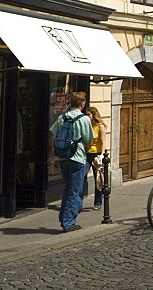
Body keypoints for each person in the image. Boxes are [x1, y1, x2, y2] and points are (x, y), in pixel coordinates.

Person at [50, 91, 94, 232]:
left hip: (63, 157)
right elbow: (89, 141)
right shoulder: (84, 119)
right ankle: (68, 222)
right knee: (75, 191)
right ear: (82, 103)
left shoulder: (63, 117)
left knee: (67, 188)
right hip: (77, 158)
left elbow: (53, 137)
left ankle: (64, 217)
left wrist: (55, 156)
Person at [84, 106, 108, 210]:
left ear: (94, 115)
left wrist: (102, 155)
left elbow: (103, 142)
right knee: (81, 177)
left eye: (89, 114)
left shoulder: (100, 126)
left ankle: (98, 202)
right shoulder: (87, 125)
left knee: (97, 179)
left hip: (96, 154)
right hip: (86, 153)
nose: (87, 116)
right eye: (86, 114)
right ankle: (78, 204)